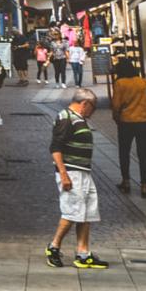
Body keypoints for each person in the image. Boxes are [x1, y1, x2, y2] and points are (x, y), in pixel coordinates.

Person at [46, 88, 108, 270]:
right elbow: (55, 147)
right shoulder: (66, 117)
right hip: (72, 172)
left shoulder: (78, 118)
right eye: (93, 108)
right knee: (72, 211)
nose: (93, 112)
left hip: (82, 172)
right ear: (85, 104)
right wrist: (63, 173)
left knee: (86, 213)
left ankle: (83, 253)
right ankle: (54, 247)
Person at [108, 59, 146, 198]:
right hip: (144, 122)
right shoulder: (142, 82)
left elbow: (116, 105)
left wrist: (116, 118)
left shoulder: (120, 83)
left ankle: (126, 182)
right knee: (144, 155)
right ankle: (144, 186)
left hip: (126, 122)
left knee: (124, 152)